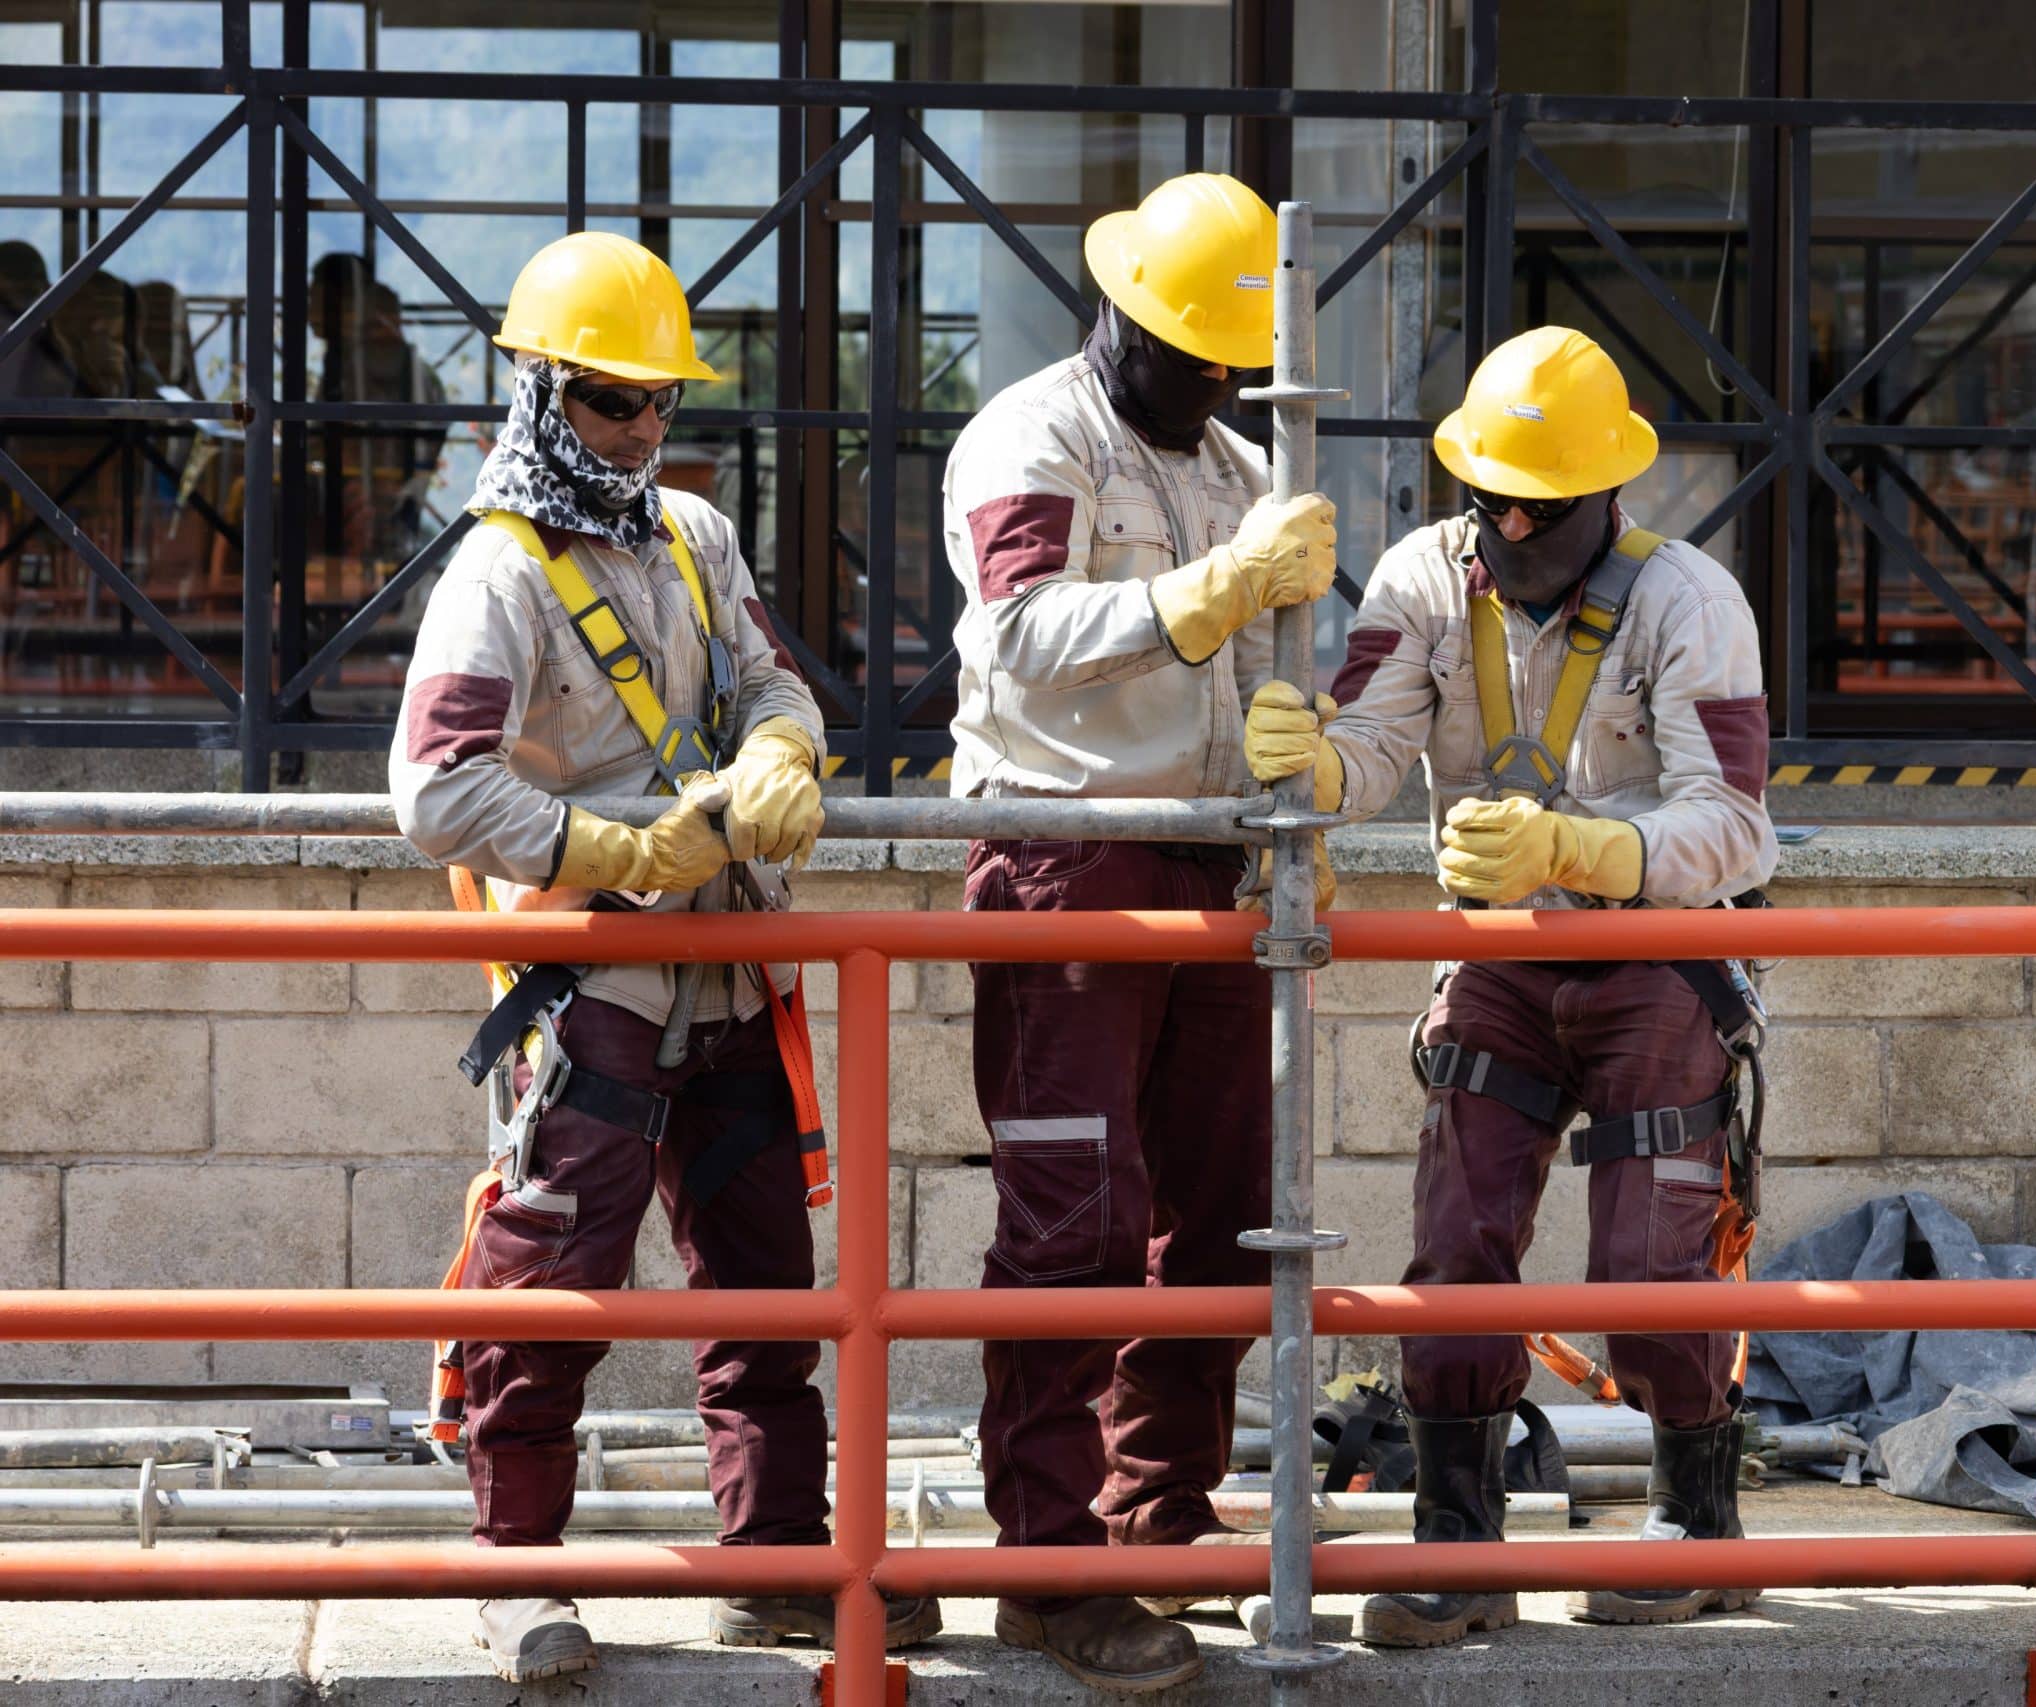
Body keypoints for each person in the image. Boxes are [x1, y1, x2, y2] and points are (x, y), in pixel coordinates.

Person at [389, 230, 932, 1681]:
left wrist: (779, 749)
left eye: (659, 406)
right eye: (610, 402)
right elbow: (436, 788)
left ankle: (778, 1560)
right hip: (597, 988)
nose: (639, 431)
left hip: (728, 968)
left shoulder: (696, 537)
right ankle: (516, 1573)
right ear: (540, 392)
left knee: (766, 1285)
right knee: (552, 1289)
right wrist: (618, 852)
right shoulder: (494, 577)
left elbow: (773, 679)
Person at [1244, 325, 1778, 1648]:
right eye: (1485, 494)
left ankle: (1698, 1530)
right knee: (1459, 1247)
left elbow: (1737, 827)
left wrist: (1589, 850)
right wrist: (1316, 766)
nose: (1503, 524)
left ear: (1607, 497)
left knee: (1648, 1262)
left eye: (1533, 506)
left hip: (1659, 956)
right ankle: (1457, 1546)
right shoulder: (1427, 580)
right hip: (1496, 960)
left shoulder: (1690, 602)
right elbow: (1374, 743)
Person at [933, 171, 1338, 1695]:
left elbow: (1274, 675)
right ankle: (1045, 1570)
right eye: (1189, 350)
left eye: (1232, 359)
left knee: (1223, 1212)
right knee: (1072, 1223)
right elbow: (1020, 637)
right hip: (1064, 858)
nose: (1213, 380)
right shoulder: (1033, 437)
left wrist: (1314, 753)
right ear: (1118, 314)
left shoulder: (1239, 460)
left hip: (1208, 864)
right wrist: (1211, 594)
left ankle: (1155, 1519)